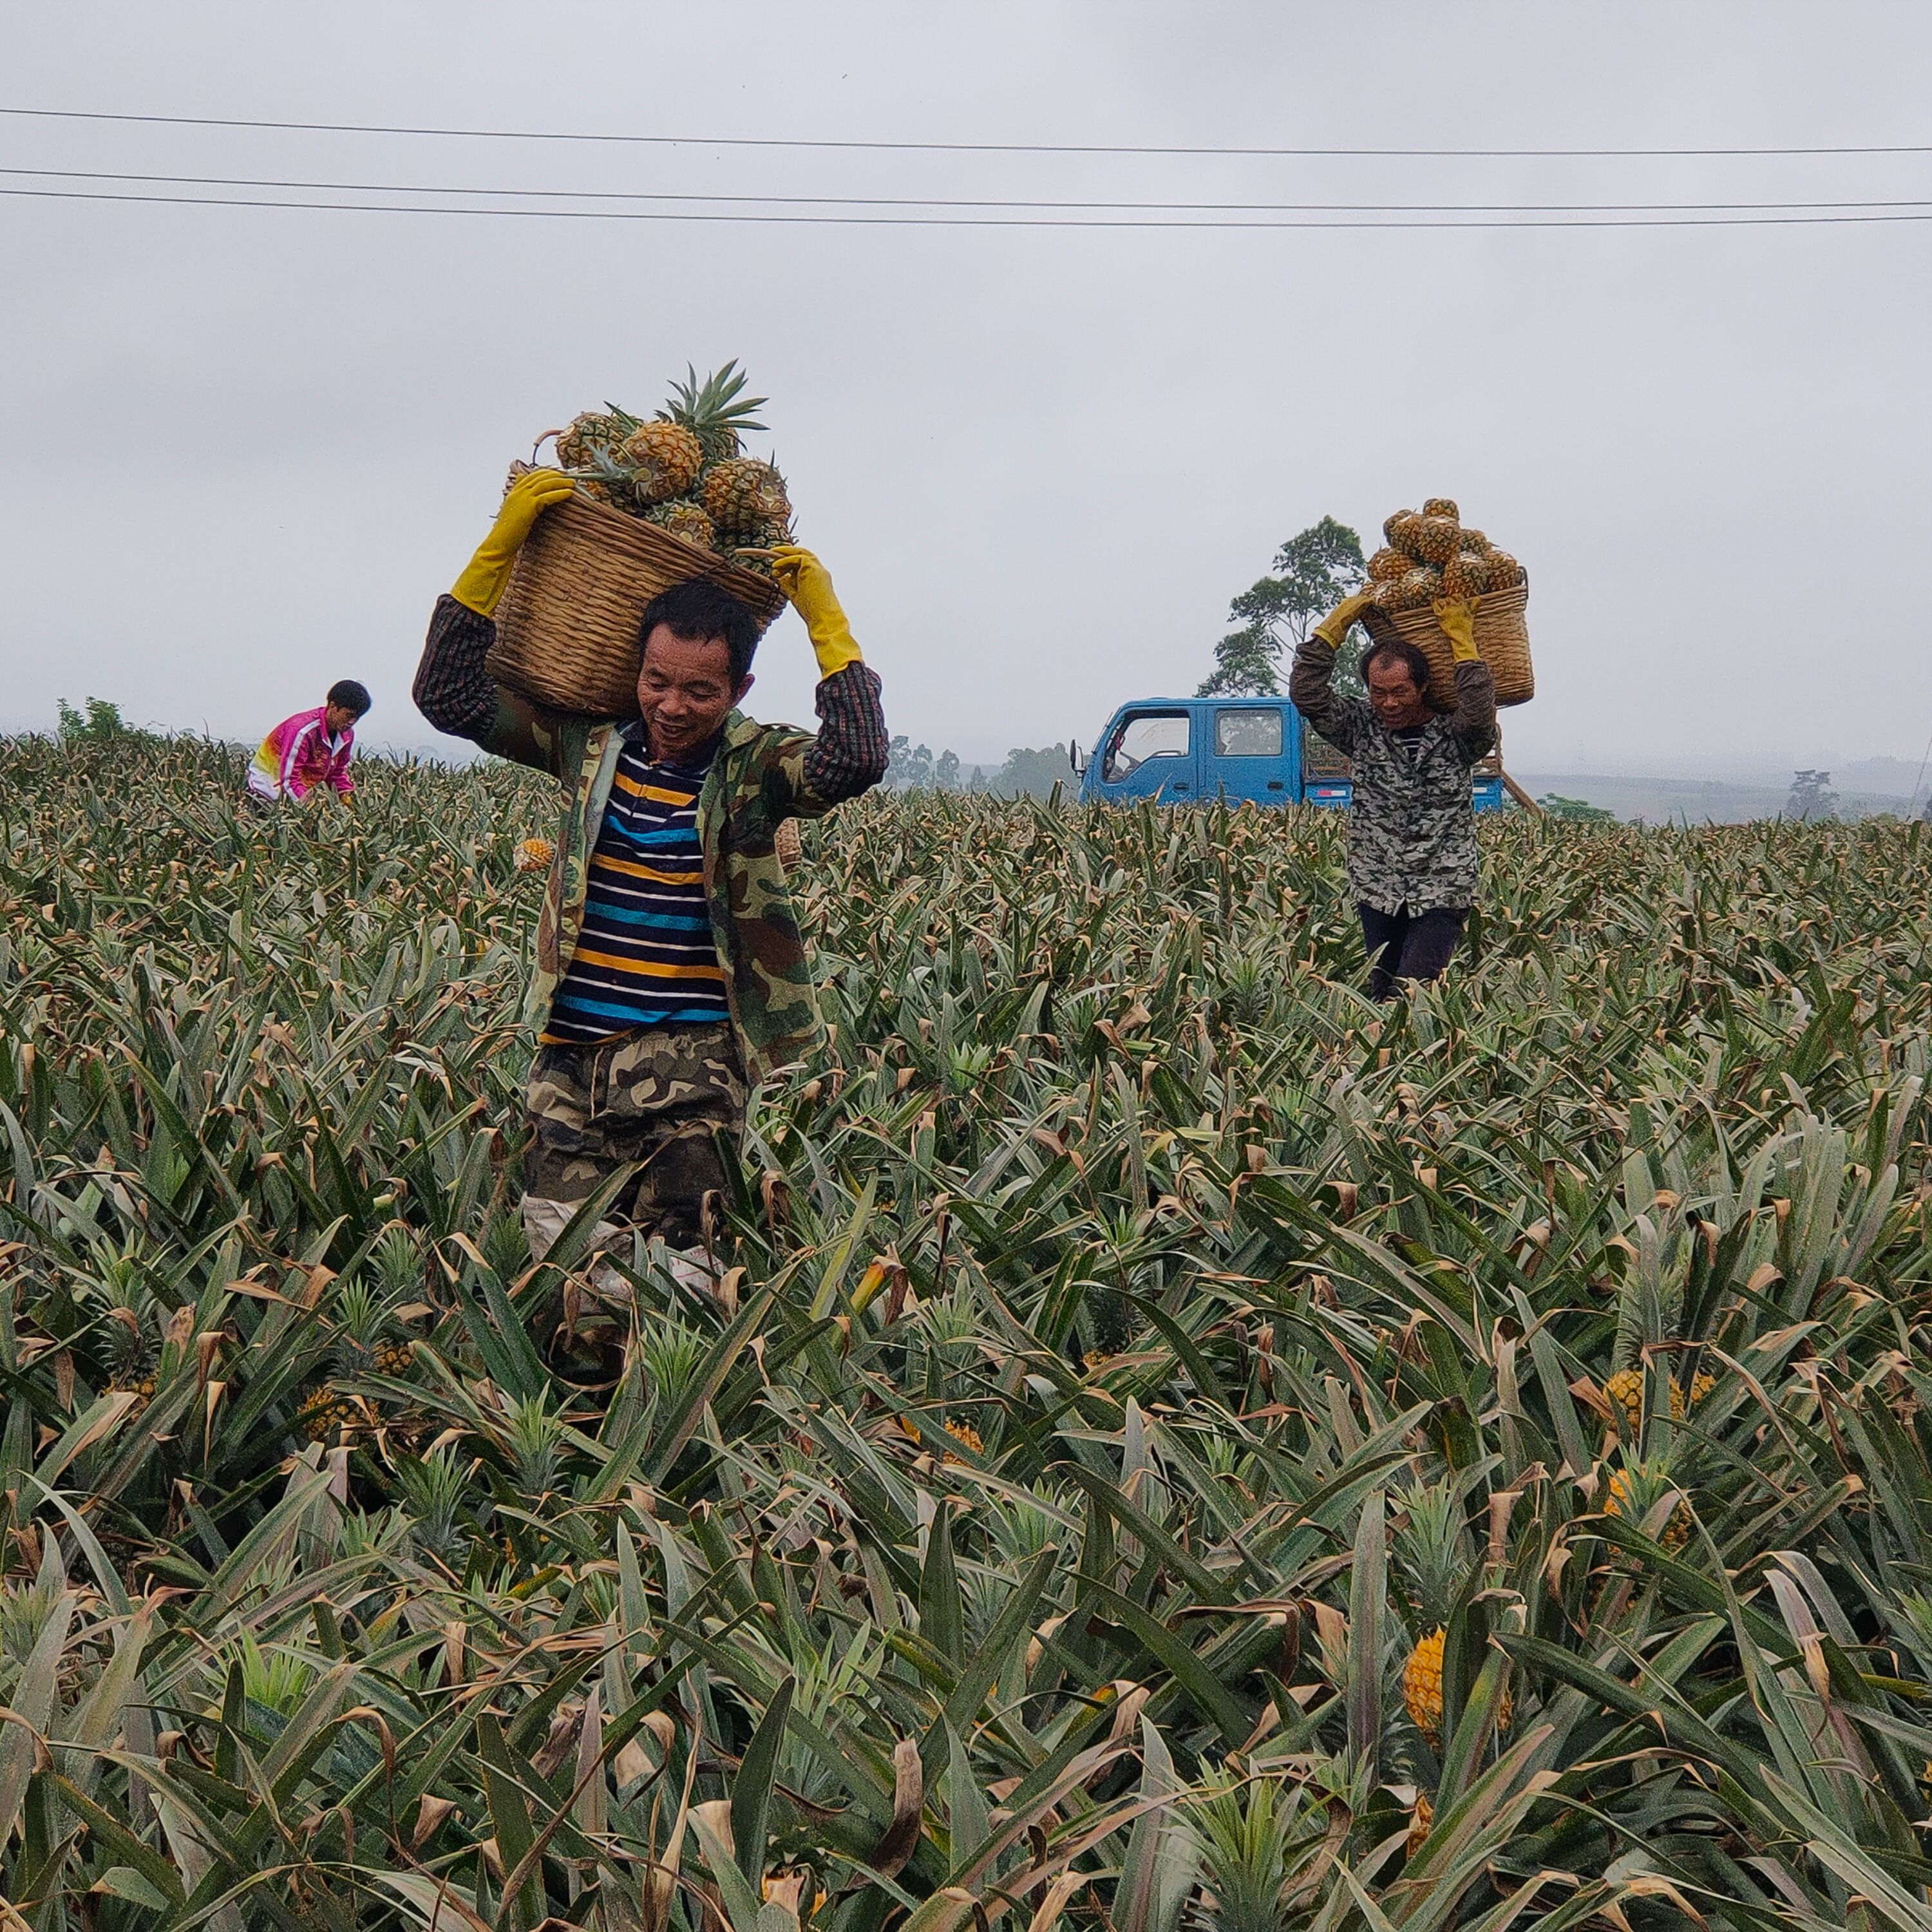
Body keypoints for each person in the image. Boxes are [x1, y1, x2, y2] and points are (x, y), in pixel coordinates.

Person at [412, 468, 888, 1302]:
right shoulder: (587, 747)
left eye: (700, 691)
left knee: (683, 1287)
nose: (672, 706)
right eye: (656, 681)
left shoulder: (754, 769)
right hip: (572, 1061)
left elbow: (853, 759)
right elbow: (449, 695)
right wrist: (503, 545)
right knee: (571, 1277)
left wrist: (827, 618)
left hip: (692, 1074)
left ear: (738, 690)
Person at [1290, 592, 1497, 999]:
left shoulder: (1457, 735)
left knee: (1414, 992)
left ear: (1422, 687)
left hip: (1442, 884)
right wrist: (1332, 629)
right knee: (1382, 989)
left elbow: (1477, 711)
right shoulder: (1361, 727)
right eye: (1378, 692)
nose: (1388, 703)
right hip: (1377, 882)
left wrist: (1462, 641)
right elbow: (1308, 694)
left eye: (1400, 691)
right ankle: (1386, 1060)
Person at [246, 680, 370, 804]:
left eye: (357, 717)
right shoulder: (302, 731)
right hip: (267, 790)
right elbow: (289, 780)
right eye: (349, 715)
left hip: (299, 790)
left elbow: (337, 773)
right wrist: (309, 810)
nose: (352, 722)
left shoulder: (346, 735)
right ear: (333, 707)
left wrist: (349, 799)